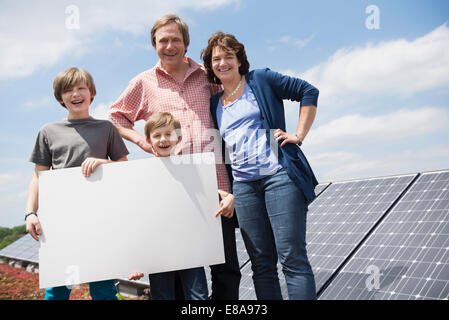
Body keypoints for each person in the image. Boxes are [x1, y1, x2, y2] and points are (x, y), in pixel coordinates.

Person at [109, 13, 241, 300]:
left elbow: (234, 99)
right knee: (181, 271)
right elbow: (116, 117)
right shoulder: (144, 82)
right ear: (154, 45)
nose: (170, 45)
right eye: (163, 40)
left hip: (216, 183)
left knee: (226, 267)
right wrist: (140, 140)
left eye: (176, 40)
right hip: (173, 190)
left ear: (186, 43)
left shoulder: (208, 75)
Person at [201, 32, 319, 300]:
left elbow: (308, 91)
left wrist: (298, 135)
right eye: (216, 59)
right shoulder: (213, 103)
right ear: (210, 67)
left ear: (240, 60)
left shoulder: (261, 80)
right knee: (262, 264)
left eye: (228, 56)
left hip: (279, 178)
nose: (222, 63)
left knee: (292, 259)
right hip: (243, 188)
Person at [25, 67, 129, 300]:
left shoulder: (106, 128)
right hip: (60, 220)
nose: (75, 94)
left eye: (81, 88)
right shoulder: (48, 131)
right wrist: (30, 213)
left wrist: (103, 163)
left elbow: (125, 168)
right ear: (60, 97)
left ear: (92, 93)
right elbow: (38, 176)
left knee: (103, 288)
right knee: (58, 288)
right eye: (68, 90)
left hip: (100, 220)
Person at [128, 112, 235, 300]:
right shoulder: (142, 175)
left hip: (190, 249)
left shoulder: (191, 168)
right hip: (158, 253)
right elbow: (136, 217)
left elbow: (213, 193)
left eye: (168, 134)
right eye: (157, 135)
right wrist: (138, 260)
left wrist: (227, 196)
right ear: (148, 140)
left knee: (198, 295)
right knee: (163, 295)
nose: (163, 139)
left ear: (178, 138)